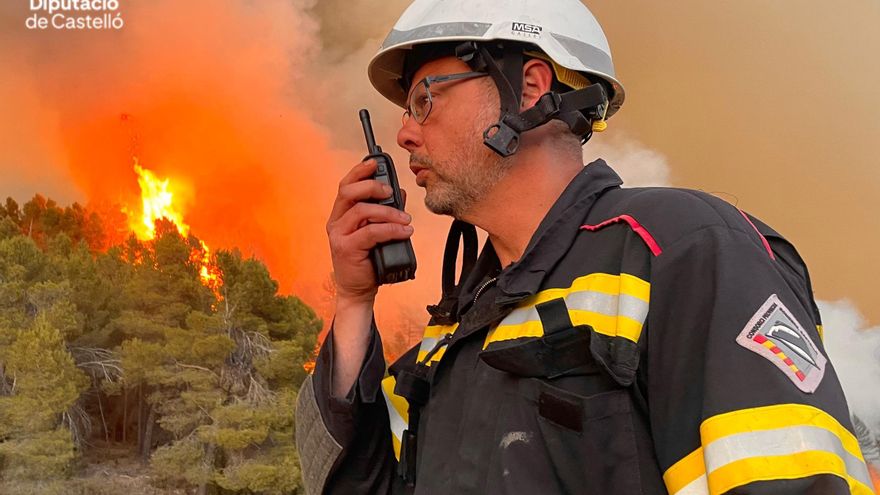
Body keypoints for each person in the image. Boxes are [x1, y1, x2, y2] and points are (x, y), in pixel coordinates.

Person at [295, 0, 876, 494]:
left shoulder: (681, 252)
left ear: (527, 88)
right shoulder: (450, 336)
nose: (404, 133)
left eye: (426, 97)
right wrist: (352, 301)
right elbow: (357, 482)